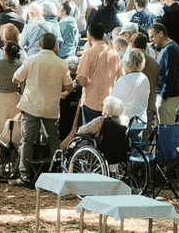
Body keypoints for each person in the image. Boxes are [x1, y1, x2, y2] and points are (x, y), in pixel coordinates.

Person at [9, 33, 72, 186]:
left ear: (39, 44)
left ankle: (25, 176)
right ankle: (56, 173)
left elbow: (15, 79)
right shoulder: (61, 63)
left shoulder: (31, 60)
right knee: (53, 141)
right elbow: (69, 86)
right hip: (51, 108)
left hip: (31, 106)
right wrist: (61, 92)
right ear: (55, 46)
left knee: (27, 141)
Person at [75, 23, 122, 125]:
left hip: (92, 101)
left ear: (89, 36)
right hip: (109, 102)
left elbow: (82, 79)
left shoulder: (88, 53)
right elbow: (120, 76)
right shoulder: (114, 53)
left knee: (89, 135)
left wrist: (78, 81)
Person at [149, 23, 179, 125]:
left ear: (160, 33)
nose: (151, 40)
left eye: (152, 37)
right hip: (165, 95)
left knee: (166, 127)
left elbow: (170, 75)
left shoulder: (170, 49)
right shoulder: (167, 48)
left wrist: (164, 95)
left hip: (168, 97)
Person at [109, 49, 150, 125]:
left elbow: (113, 100)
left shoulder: (123, 80)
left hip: (127, 121)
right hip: (141, 121)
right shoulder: (145, 79)